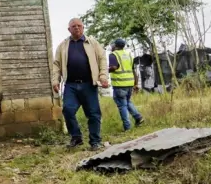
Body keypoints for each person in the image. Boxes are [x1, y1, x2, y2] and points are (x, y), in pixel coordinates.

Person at [51, 18, 109, 151]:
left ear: (83, 27)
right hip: (71, 85)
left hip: (89, 84)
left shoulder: (92, 43)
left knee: (94, 113)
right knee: (68, 110)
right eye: (73, 26)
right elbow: (57, 65)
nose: (76, 28)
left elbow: (102, 59)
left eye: (79, 26)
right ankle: (76, 137)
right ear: (69, 29)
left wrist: (103, 76)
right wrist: (55, 80)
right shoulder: (63, 46)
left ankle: (95, 141)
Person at [109, 39, 144, 131]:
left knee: (122, 105)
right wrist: (135, 83)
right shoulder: (128, 55)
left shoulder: (113, 55)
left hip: (119, 83)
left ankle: (127, 127)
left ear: (115, 45)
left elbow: (114, 67)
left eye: (112, 45)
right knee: (127, 102)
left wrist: (104, 70)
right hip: (129, 83)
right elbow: (133, 70)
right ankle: (138, 118)